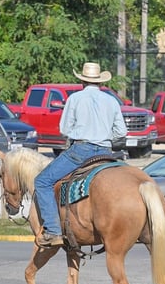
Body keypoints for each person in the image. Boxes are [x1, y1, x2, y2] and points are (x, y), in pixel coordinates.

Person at [33, 62, 128, 247]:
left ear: (82, 81)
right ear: (100, 82)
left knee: (42, 181)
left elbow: (64, 129)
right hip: (106, 152)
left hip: (81, 151)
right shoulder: (111, 101)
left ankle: (53, 231)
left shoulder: (75, 98)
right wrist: (105, 135)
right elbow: (121, 132)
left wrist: (81, 132)